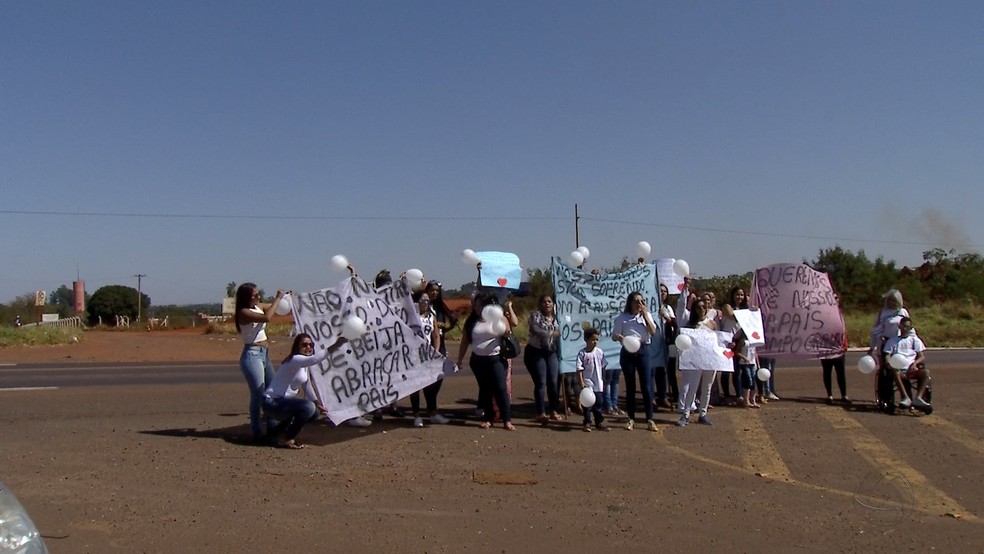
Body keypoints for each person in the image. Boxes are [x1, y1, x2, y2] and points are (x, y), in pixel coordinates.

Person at [263, 333, 347, 449]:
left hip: (283, 403)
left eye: (311, 345)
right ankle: (287, 438)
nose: (308, 347)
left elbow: (306, 385)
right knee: (308, 407)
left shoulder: (303, 364)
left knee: (314, 412)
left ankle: (276, 433)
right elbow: (314, 359)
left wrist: (317, 402)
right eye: (304, 345)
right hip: (272, 402)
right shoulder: (295, 359)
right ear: (297, 346)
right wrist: (337, 344)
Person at [456, 292, 515, 430]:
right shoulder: (472, 322)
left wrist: (504, 326)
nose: (477, 308)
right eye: (475, 305)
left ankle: (507, 419)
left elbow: (508, 329)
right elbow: (464, 342)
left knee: (500, 388)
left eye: (480, 305)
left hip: (496, 358)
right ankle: (489, 418)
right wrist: (459, 360)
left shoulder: (497, 318)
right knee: (485, 389)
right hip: (478, 360)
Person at [235, 283, 286, 441]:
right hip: (252, 355)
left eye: (258, 294)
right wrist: (278, 297)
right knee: (258, 393)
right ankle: (256, 430)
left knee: (271, 391)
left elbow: (275, 308)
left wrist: (286, 300)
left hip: (264, 354)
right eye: (254, 295)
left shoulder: (258, 306)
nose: (258, 297)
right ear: (246, 297)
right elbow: (267, 317)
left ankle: (272, 425)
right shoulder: (244, 312)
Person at [612, 291, 659, 432]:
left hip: (643, 350)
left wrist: (645, 315)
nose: (639, 304)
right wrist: (620, 337)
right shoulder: (623, 318)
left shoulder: (646, 315)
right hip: (628, 352)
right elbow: (614, 335)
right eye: (636, 301)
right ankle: (631, 418)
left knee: (646, 386)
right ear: (630, 303)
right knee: (630, 386)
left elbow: (653, 331)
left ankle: (649, 419)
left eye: (642, 301)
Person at [408, 296, 450, 427]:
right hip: (414, 355)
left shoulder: (431, 317)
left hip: (427, 355)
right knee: (415, 386)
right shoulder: (411, 317)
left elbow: (436, 336)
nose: (425, 303)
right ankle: (416, 415)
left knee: (431, 384)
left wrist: (435, 351)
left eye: (427, 301)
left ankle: (433, 413)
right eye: (422, 300)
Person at [677, 297, 717, 427]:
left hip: (710, 360)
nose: (701, 309)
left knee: (707, 388)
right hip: (696, 360)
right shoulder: (690, 325)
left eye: (703, 307)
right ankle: (686, 414)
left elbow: (718, 340)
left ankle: (703, 414)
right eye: (698, 307)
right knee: (692, 387)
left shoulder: (712, 324)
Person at [524, 294, 562, 424]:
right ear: (540, 304)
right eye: (544, 302)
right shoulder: (536, 316)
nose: (547, 304)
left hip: (551, 352)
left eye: (549, 301)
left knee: (553, 381)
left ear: (553, 304)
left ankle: (553, 410)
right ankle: (541, 412)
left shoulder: (558, 317)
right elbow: (537, 329)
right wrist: (553, 333)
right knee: (541, 381)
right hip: (536, 351)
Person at [882, 316, 931, 409]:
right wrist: (889, 362)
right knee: (895, 371)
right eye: (903, 326)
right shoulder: (892, 341)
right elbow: (887, 355)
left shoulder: (915, 340)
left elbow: (922, 357)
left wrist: (915, 363)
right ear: (899, 326)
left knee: (926, 372)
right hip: (898, 368)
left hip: (911, 368)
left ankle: (918, 398)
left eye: (907, 327)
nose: (905, 328)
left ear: (910, 328)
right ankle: (905, 397)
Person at [577, 327, 608, 432]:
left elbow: (603, 367)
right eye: (593, 339)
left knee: (598, 403)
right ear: (586, 339)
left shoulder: (600, 352)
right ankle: (587, 422)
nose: (595, 342)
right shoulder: (582, 353)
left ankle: (599, 422)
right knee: (587, 404)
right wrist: (581, 382)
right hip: (588, 383)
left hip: (598, 383)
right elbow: (579, 369)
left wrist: (604, 379)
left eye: (597, 340)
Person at [422, 280, 458, 356]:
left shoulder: (441, 307)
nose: (435, 293)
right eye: (432, 290)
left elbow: (452, 322)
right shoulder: (422, 306)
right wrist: (435, 324)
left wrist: (445, 326)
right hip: (426, 343)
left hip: (440, 344)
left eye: (437, 291)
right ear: (427, 291)